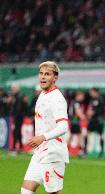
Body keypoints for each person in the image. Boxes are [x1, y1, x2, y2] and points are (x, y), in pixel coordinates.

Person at [21, 61, 69, 194]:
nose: (42, 77)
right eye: (41, 73)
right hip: (40, 153)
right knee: (26, 190)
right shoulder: (43, 94)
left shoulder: (57, 99)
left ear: (55, 78)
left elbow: (64, 126)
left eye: (47, 74)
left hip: (53, 154)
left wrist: (42, 137)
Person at [87, 87, 105, 156]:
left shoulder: (100, 99)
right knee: (88, 133)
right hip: (93, 119)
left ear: (95, 92)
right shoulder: (92, 99)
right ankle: (86, 149)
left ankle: (102, 151)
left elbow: (101, 110)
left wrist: (93, 112)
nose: (90, 93)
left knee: (101, 134)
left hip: (98, 119)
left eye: (91, 92)